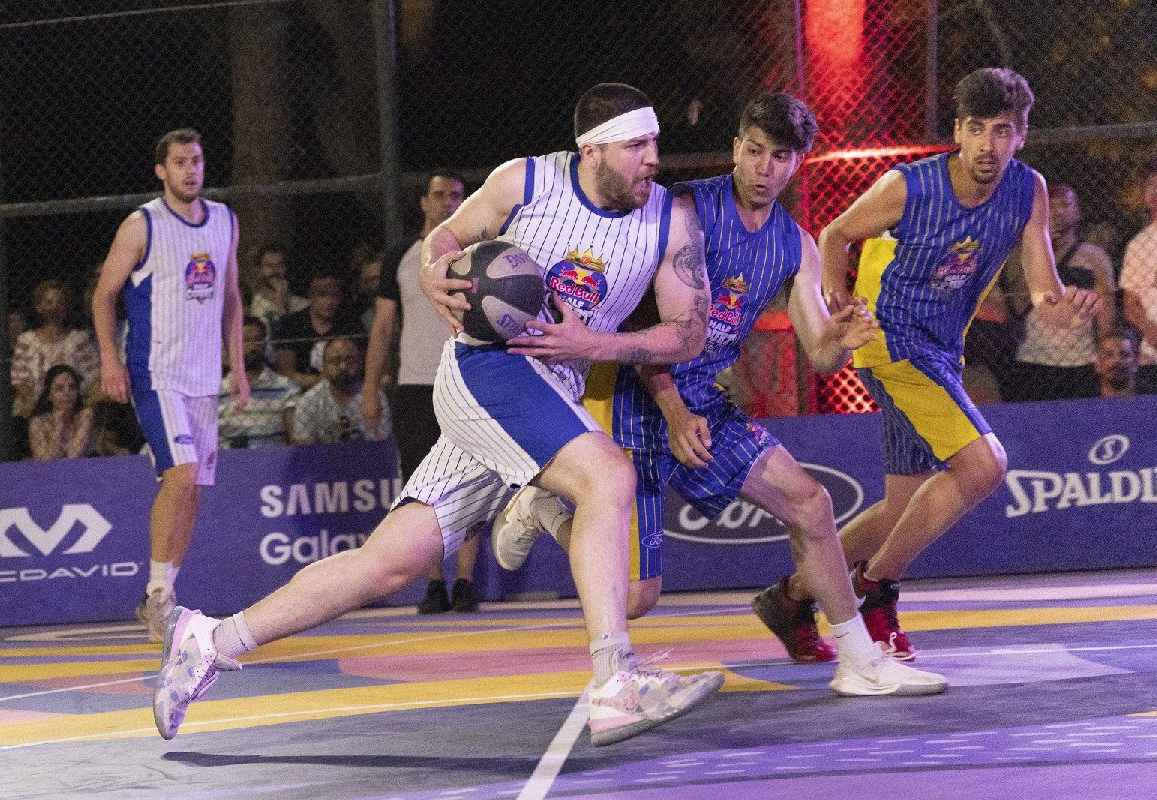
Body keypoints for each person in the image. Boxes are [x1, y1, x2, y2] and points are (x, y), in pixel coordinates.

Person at [153, 83, 724, 747]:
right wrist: (431, 270)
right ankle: (615, 682)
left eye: (654, 142)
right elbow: (447, 235)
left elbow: (688, 333)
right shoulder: (527, 181)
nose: (653, 157)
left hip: (551, 387)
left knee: (388, 565)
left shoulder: (669, 219)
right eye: (636, 145)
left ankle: (208, 640)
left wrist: (593, 344)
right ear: (591, 151)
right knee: (607, 475)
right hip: (488, 368)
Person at [491, 94, 947, 696]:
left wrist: (843, 339)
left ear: (797, 164)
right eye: (754, 151)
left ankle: (859, 661)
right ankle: (542, 509)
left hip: (703, 403)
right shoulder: (684, 211)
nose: (764, 168)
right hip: (632, 396)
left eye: (779, 157)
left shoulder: (797, 245)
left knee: (811, 505)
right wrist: (673, 409)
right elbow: (640, 318)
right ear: (735, 148)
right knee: (635, 598)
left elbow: (819, 354)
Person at [777, 68, 1099, 661]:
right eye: (975, 128)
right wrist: (839, 302)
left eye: (1001, 130)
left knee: (902, 509)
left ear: (1020, 136)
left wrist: (1065, 309)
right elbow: (836, 233)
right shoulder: (910, 186)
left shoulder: (1027, 189)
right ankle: (875, 590)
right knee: (984, 463)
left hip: (941, 349)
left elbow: (1043, 291)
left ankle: (792, 596)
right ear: (957, 131)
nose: (987, 144)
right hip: (890, 340)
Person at [92, 127, 249, 642]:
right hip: (156, 372)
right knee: (180, 474)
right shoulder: (142, 225)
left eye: (196, 160)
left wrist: (237, 367)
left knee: (194, 489)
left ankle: (161, 596)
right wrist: (110, 359)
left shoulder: (225, 220)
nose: (190, 170)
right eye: (180, 162)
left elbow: (231, 299)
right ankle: (158, 593)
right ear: (161, 170)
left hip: (204, 376)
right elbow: (103, 295)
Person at [362, 169, 483, 614]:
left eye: (456, 195)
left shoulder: (479, 253)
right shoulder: (402, 255)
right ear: (423, 202)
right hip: (415, 385)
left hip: (468, 379)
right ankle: (434, 582)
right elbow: (383, 327)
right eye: (439, 194)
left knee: (473, 481)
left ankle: (465, 581)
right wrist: (370, 390)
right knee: (420, 485)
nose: (447, 202)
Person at [1011, 182, 1115, 400]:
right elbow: (1018, 305)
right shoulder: (1023, 254)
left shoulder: (1094, 257)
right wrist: (1043, 248)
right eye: (1052, 205)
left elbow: (1107, 314)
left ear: (1078, 212)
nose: (1058, 212)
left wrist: (1103, 354)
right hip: (1033, 357)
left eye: (1065, 205)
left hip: (1082, 359)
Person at [11, 279, 101, 417]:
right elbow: (19, 380)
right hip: (37, 407)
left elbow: (93, 376)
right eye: (49, 302)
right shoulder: (27, 341)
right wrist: (31, 405)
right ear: (39, 307)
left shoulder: (78, 340)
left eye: (60, 302)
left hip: (73, 407)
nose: (55, 308)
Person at [273, 272, 365, 391]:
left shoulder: (351, 323)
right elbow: (286, 374)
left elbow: (360, 366)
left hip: (345, 389)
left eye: (335, 295)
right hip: (299, 391)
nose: (329, 301)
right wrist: (323, 380)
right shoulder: (290, 324)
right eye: (322, 295)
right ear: (311, 297)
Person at [219, 316, 300, 448]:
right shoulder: (217, 392)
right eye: (245, 340)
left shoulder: (286, 388)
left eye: (258, 340)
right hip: (230, 459)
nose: (252, 346)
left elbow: (295, 440)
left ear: (265, 344)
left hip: (273, 458)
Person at [290, 335, 390, 443]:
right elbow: (304, 446)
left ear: (360, 363)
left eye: (349, 360)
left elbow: (382, 442)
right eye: (335, 361)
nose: (343, 366)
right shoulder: (309, 400)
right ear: (324, 366)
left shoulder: (375, 397)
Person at [1120, 156, 1157, 394]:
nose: (1155, 190)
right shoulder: (1139, 244)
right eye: (1151, 184)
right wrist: (1151, 331)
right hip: (1151, 355)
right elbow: (1130, 303)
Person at [28, 364, 96, 460]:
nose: (67, 393)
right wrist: (59, 425)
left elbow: (74, 456)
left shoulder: (85, 415)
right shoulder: (38, 423)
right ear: (49, 395)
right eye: (59, 388)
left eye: (72, 387)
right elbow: (47, 462)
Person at [248, 245, 309, 334]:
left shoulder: (303, 305)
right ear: (260, 270)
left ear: (286, 268)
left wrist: (281, 303)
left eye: (280, 265)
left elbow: (292, 335)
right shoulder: (252, 304)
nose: (274, 270)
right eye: (269, 265)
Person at [1096, 326, 1139, 397]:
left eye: (1124, 355)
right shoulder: (1082, 398)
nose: (1117, 360)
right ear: (1098, 364)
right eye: (1109, 355)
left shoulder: (1152, 396)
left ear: (1135, 363)